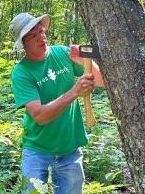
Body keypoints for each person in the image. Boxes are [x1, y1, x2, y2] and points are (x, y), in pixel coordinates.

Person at [10, 12, 104, 194]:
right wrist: (75, 91)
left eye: (41, 31)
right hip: (37, 151)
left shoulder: (62, 53)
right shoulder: (21, 72)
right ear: (23, 44)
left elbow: (102, 81)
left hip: (70, 149)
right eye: (33, 35)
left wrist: (85, 59)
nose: (41, 38)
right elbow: (39, 116)